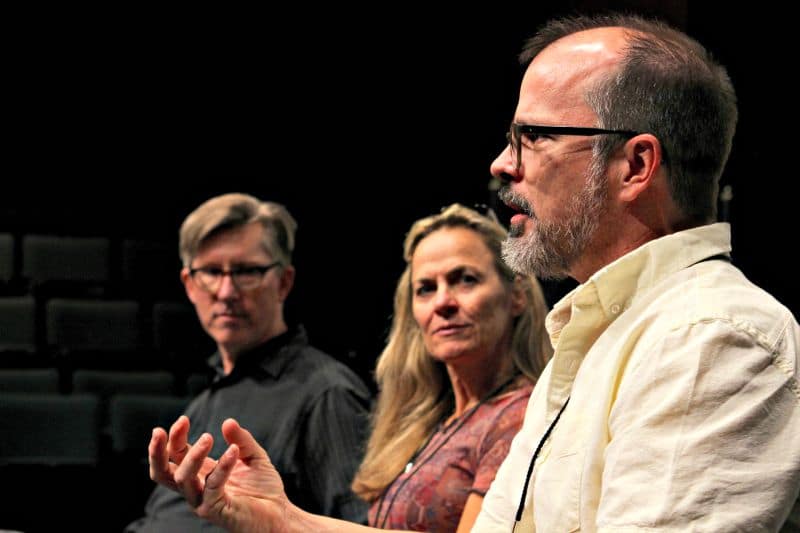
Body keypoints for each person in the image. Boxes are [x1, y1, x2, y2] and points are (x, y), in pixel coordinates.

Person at [472, 13, 800, 532]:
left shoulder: (709, 338)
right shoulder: (598, 334)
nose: (502, 164)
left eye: (532, 136)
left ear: (636, 165)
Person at [147, 203, 553, 532]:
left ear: (516, 295)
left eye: (465, 279)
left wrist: (284, 518)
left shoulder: (519, 416)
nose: (443, 302)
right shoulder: (435, 422)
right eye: (425, 288)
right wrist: (280, 517)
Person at [125, 193, 372, 532]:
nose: (226, 291)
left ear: (283, 282)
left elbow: (362, 525)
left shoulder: (327, 393)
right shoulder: (208, 398)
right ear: (189, 284)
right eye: (211, 271)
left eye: (246, 272)